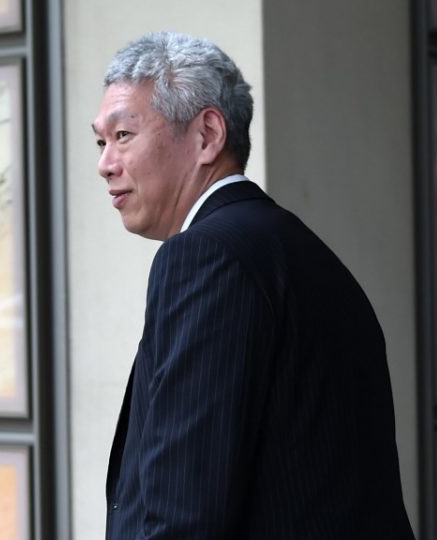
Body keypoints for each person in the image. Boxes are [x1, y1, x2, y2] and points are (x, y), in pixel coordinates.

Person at [92, 31, 414, 540]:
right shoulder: (291, 246)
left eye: (124, 135)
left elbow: (184, 509)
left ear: (207, 135)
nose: (106, 164)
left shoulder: (205, 255)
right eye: (101, 141)